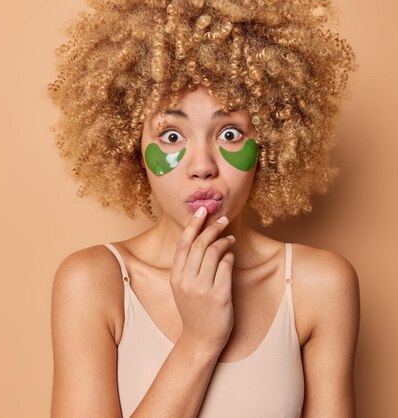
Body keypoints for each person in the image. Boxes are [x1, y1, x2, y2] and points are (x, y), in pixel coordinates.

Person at [48, 1, 360, 416]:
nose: (202, 167)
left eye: (229, 133)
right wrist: (199, 340)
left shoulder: (317, 286)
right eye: (172, 135)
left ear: (270, 140)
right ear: (132, 148)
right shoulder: (93, 283)